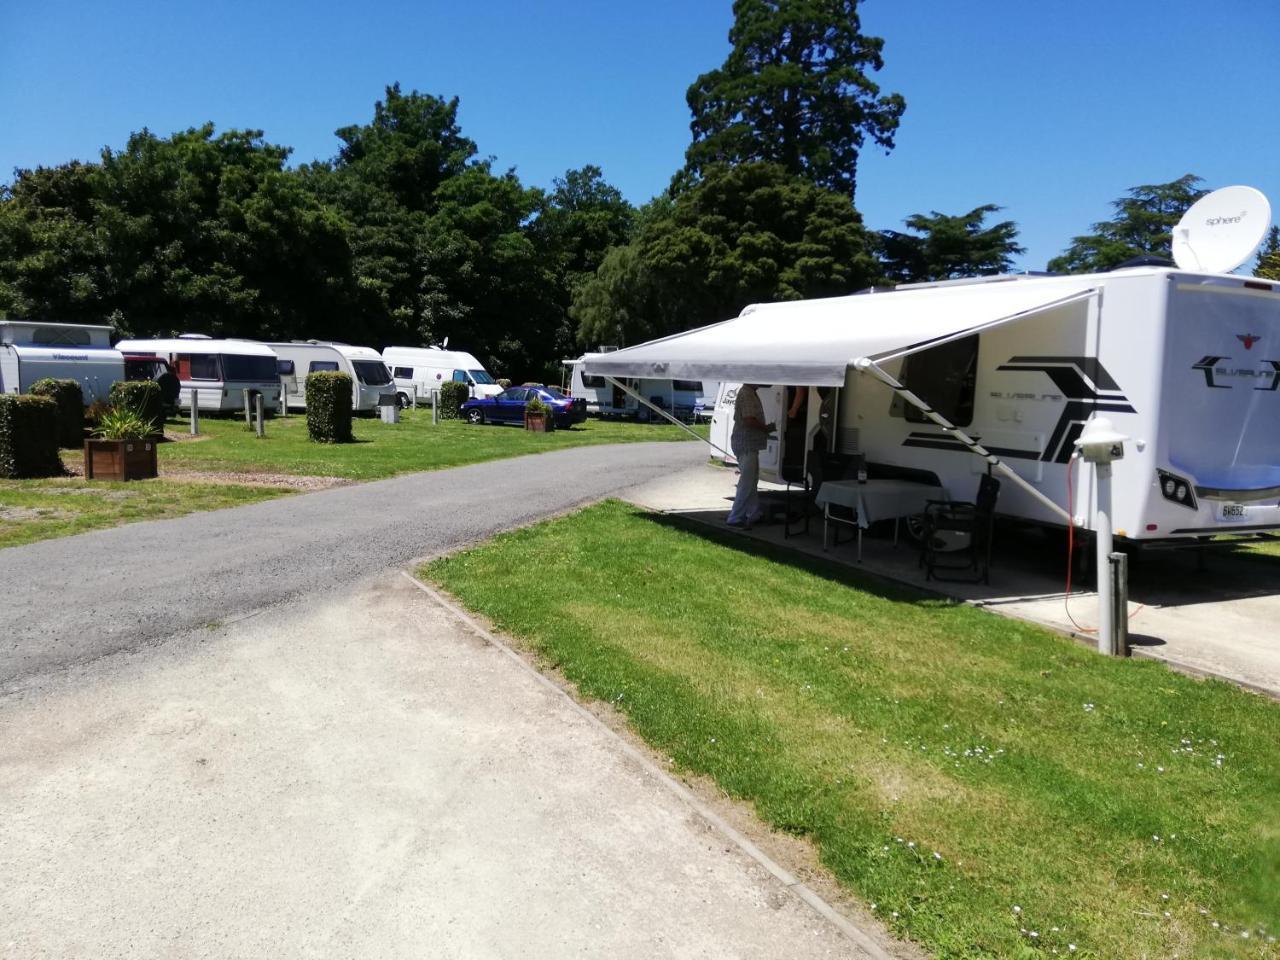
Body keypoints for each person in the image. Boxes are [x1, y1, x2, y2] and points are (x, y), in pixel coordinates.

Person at [727, 384, 773, 527]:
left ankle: (754, 513)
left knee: (752, 480)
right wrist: (765, 428)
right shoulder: (747, 393)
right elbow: (749, 419)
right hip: (746, 444)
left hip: (749, 444)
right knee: (746, 481)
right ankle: (735, 517)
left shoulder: (750, 392)